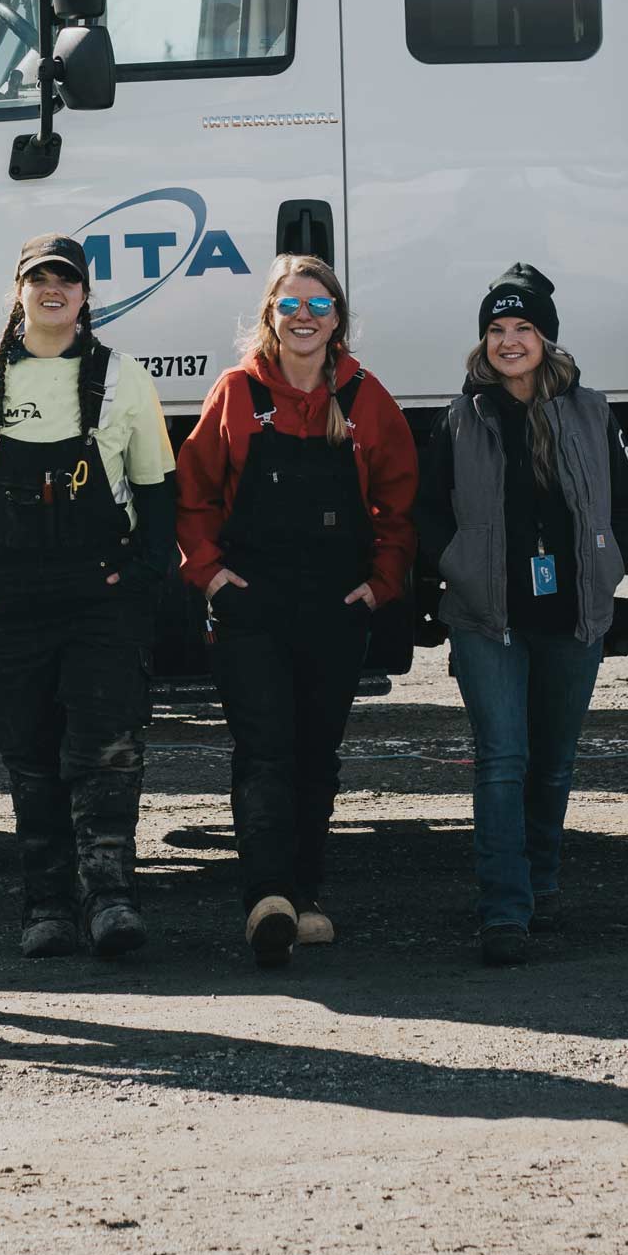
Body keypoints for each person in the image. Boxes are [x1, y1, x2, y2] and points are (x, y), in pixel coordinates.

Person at [175, 254, 418, 967]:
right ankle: (267, 898)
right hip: (252, 609)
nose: (304, 317)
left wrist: (382, 583)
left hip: (335, 607)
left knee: (317, 755)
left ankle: (307, 898)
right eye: (290, 306)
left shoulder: (367, 398)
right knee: (264, 749)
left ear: (337, 318)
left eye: (317, 305)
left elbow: (400, 505)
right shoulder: (237, 393)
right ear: (270, 318)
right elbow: (192, 496)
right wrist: (211, 575)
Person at [0, 235, 175, 960]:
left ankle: (111, 899)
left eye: (66, 280)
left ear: (83, 295)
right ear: (18, 291)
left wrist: (139, 577)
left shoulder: (121, 377)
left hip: (99, 602)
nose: (52, 290)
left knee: (107, 750)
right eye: (38, 277)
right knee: (32, 760)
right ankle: (47, 906)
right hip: (9, 609)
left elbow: (159, 494)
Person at [416, 262, 628, 967]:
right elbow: (427, 510)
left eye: (522, 328)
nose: (508, 341)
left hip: (571, 616)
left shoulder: (591, 409)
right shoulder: (462, 416)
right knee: (502, 760)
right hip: (490, 618)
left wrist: (609, 563)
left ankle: (541, 886)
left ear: (546, 337)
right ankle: (504, 911)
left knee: (552, 762)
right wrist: (452, 564)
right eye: (496, 329)